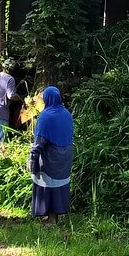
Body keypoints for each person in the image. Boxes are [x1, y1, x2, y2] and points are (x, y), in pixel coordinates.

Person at [29, 86, 73, 223]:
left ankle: (50, 219)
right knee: (59, 186)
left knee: (47, 185)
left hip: (50, 157)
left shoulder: (46, 116)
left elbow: (40, 141)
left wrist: (32, 158)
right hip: (65, 157)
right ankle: (55, 216)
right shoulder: (67, 114)